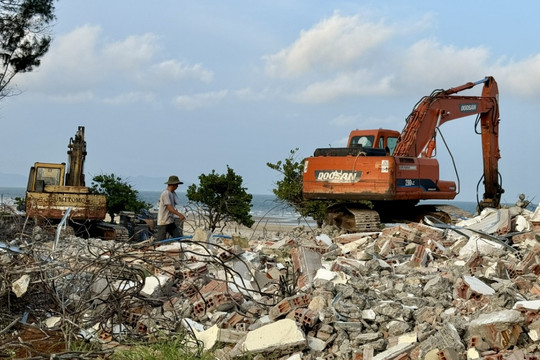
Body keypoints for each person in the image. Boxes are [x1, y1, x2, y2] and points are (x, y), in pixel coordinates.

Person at [155, 175, 187, 241]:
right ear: (173, 184)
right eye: (177, 184)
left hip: (170, 221)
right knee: (160, 240)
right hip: (164, 221)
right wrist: (179, 214)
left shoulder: (172, 193)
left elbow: (173, 206)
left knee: (177, 237)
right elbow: (169, 207)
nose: (177, 186)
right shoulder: (166, 193)